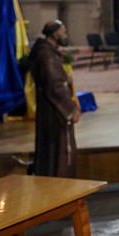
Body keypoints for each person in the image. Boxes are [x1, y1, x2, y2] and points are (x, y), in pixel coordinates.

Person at [29, 19, 81, 177]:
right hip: (55, 110)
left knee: (51, 150)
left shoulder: (47, 52)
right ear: (55, 33)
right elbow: (54, 86)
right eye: (63, 31)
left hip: (49, 108)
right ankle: (60, 184)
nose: (65, 34)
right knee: (58, 150)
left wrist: (65, 78)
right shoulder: (47, 55)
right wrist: (71, 110)